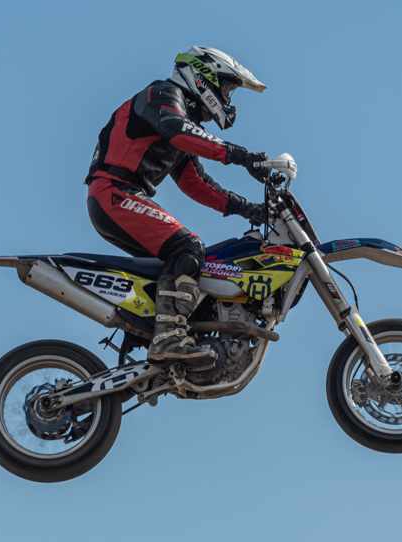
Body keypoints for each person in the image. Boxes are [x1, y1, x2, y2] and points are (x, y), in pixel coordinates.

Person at [85, 46, 270, 368]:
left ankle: (154, 337)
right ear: (203, 78)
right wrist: (241, 155)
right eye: (227, 88)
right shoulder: (163, 95)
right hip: (114, 193)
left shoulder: (179, 121)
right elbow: (179, 131)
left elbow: (194, 182)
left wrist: (248, 209)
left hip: (120, 197)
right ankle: (168, 339)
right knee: (188, 247)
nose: (227, 98)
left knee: (181, 264)